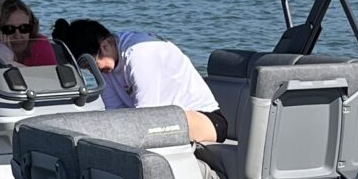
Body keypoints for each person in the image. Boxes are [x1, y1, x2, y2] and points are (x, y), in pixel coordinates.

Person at [51, 19, 227, 145]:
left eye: (89, 65)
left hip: (206, 120)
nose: (92, 72)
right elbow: (115, 113)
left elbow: (145, 117)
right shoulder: (107, 65)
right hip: (162, 119)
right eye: (86, 68)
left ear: (104, 46)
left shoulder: (139, 53)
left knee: (146, 127)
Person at [0, 0, 58, 72]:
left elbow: (52, 77)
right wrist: (3, 52)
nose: (17, 34)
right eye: (10, 29)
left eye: (24, 28)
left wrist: (12, 63)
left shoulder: (41, 44)